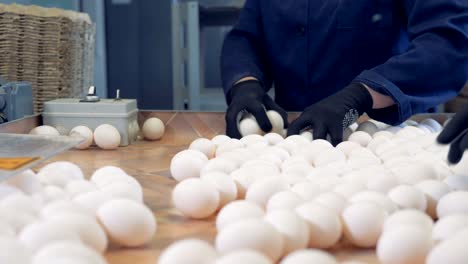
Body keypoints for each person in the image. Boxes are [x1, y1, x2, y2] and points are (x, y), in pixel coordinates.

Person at [221, 0, 468, 145]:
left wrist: (360, 97)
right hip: (296, 136)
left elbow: (449, 43)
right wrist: (245, 82)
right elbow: (247, 36)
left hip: (387, 134)